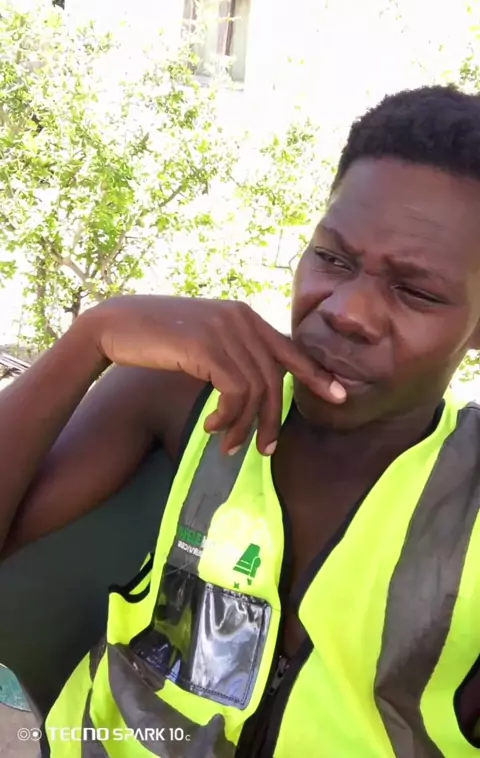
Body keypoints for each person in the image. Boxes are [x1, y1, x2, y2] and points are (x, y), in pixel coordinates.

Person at [2, 84, 480, 757]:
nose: (347, 311)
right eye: (332, 259)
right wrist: (93, 337)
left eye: (416, 291)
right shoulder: (188, 391)